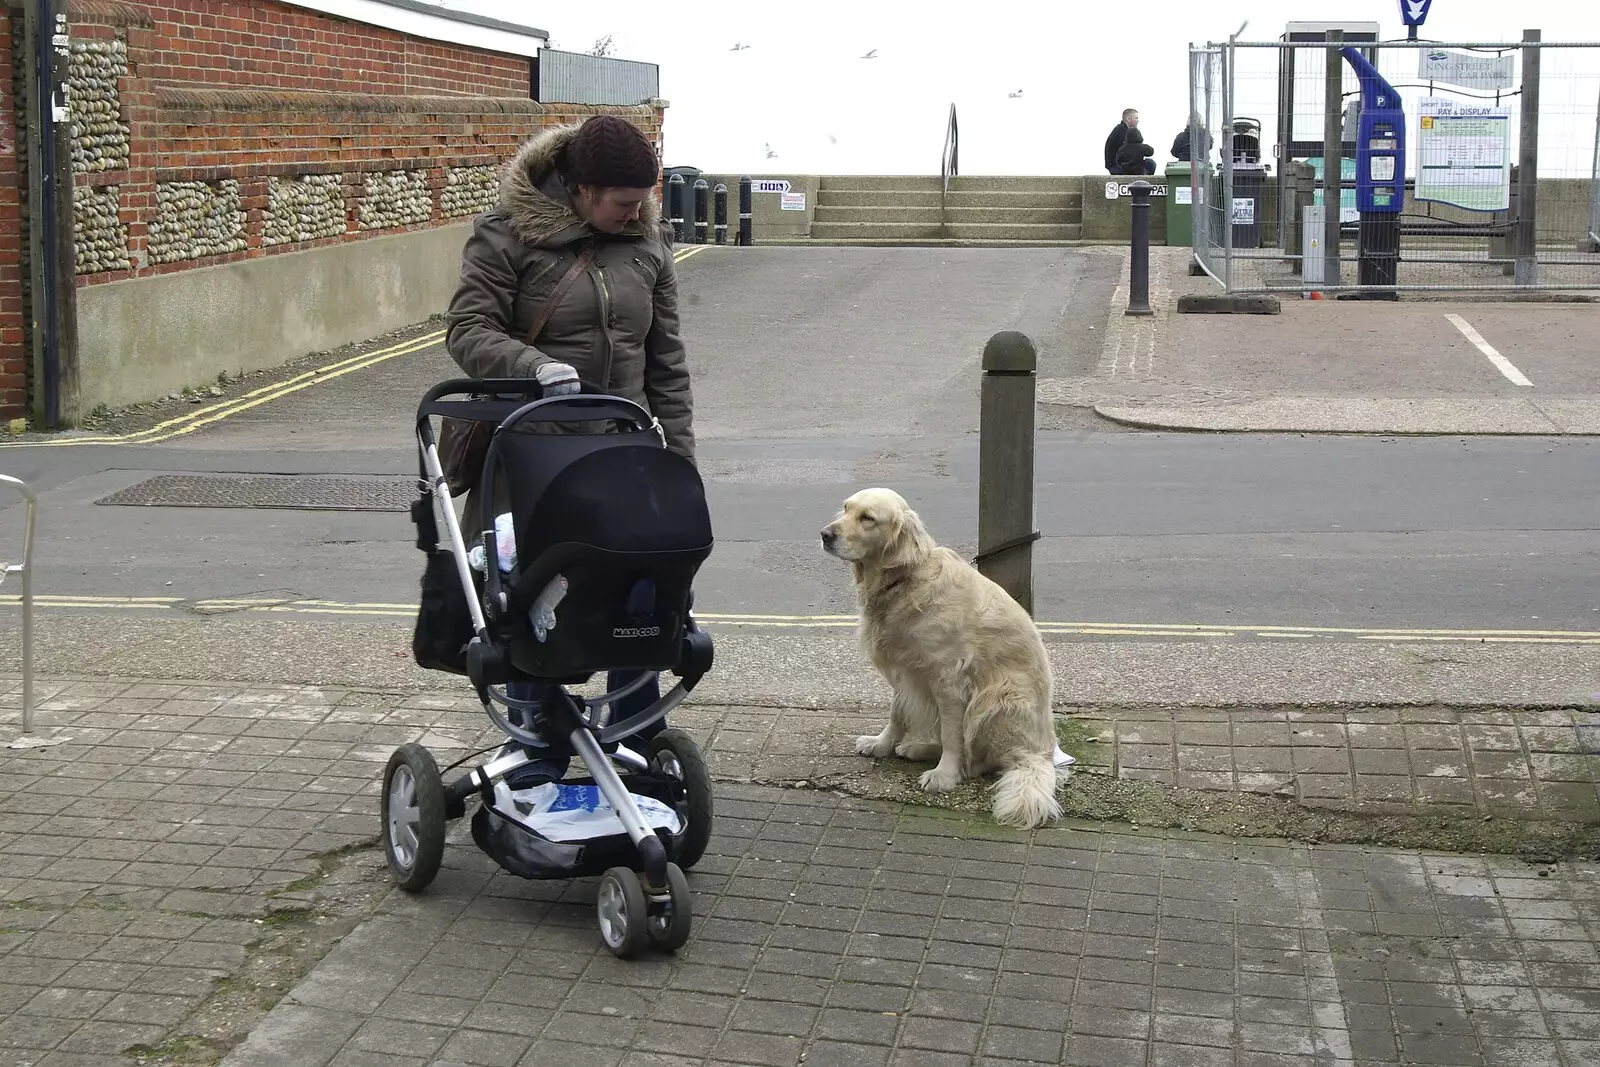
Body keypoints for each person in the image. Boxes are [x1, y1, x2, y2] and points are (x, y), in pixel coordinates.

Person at [444, 113, 695, 787]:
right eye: (622, 201)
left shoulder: (648, 244)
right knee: (535, 602)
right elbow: (467, 327)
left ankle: (636, 735)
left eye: (645, 198)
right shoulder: (509, 236)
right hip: (531, 459)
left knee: (640, 597)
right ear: (581, 189)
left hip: (623, 457)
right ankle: (535, 746)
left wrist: (684, 466)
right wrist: (530, 365)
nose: (637, 211)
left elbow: (666, 362)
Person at [1103, 108, 1141, 173]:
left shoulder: (1121, 129)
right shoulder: (1122, 132)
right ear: (1129, 119)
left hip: (1117, 164)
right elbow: (1128, 151)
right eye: (1136, 118)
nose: (1138, 121)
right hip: (1116, 166)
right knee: (1150, 164)